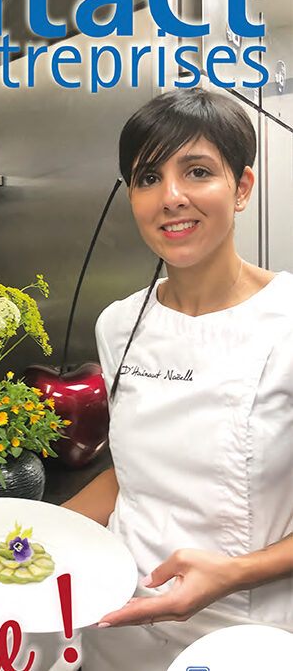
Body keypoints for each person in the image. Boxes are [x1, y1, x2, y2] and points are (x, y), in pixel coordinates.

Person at [64, 88, 293, 670]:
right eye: (148, 177)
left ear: (242, 187)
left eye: (197, 171)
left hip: (245, 631)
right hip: (117, 617)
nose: (171, 197)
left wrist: (235, 573)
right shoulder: (118, 324)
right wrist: (37, 533)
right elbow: (134, 475)